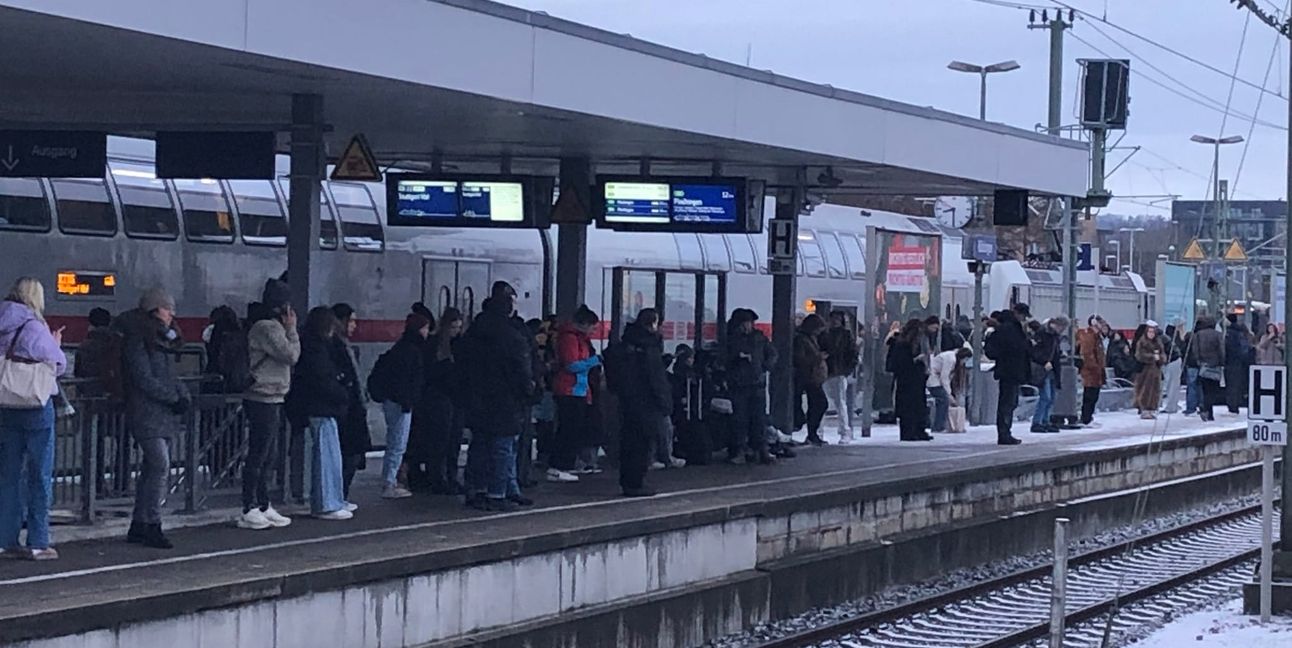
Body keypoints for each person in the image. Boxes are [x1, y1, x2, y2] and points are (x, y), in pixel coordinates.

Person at [0, 278, 67, 560]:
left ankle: (5, 539)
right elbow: (59, 364)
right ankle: (38, 541)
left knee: (8, 475)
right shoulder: (34, 327)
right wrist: (55, 343)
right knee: (39, 475)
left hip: (5, 403)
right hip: (35, 407)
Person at [122, 288, 190, 548]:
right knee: (160, 465)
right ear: (154, 309)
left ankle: (140, 523)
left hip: (159, 411)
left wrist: (179, 395)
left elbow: (168, 375)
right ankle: (152, 523)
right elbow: (143, 378)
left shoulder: (159, 340)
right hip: (146, 411)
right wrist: (174, 398)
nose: (172, 313)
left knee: (153, 468)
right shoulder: (139, 338)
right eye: (167, 307)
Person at [460, 295, 534, 511]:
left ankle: (476, 490)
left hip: (477, 400)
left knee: (480, 445)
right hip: (505, 401)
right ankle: (497, 493)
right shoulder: (512, 337)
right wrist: (528, 391)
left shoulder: (472, 335)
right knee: (503, 448)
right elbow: (522, 372)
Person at [237, 298, 299, 530]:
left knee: (268, 453)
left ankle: (263, 504)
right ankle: (250, 507)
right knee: (259, 453)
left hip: (272, 396)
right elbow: (291, 355)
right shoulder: (267, 328)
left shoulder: (268, 328)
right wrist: (291, 330)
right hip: (261, 396)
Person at [288, 307, 352, 519]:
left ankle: (331, 500)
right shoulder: (317, 349)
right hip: (320, 407)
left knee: (328, 455)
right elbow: (322, 379)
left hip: (318, 406)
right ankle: (326, 503)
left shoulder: (312, 346)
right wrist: (342, 392)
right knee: (326, 457)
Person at [609, 309, 672, 497]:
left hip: (628, 401)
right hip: (646, 403)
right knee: (642, 443)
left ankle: (629, 481)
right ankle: (637, 482)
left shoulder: (627, 343)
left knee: (629, 441)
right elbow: (655, 378)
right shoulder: (648, 346)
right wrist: (665, 402)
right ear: (652, 324)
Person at [372, 313, 429, 499]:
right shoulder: (413, 350)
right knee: (397, 444)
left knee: (395, 442)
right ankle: (389, 483)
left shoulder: (401, 347)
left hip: (393, 400)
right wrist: (409, 401)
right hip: (401, 403)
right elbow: (409, 380)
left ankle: (391, 480)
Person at [548, 306, 601, 483]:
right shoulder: (569, 339)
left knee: (573, 428)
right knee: (568, 429)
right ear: (584, 324)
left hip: (578, 389)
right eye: (592, 327)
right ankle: (558, 466)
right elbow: (571, 365)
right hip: (569, 389)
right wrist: (594, 361)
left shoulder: (579, 339)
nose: (593, 332)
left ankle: (566, 464)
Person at [724, 308, 778, 464]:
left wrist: (764, 367)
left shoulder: (759, 338)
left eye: (749, 323)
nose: (748, 326)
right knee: (740, 420)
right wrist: (737, 358)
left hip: (755, 384)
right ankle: (740, 449)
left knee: (758, 419)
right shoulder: (732, 340)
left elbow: (772, 354)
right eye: (746, 323)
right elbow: (724, 358)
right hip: (739, 384)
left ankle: (760, 449)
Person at [330, 303, 371, 500]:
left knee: (352, 454)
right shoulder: (336, 346)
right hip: (346, 408)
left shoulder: (345, 346)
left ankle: (342, 496)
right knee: (348, 454)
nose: (354, 325)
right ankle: (340, 496)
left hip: (352, 406)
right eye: (352, 320)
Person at [423, 308, 465, 495]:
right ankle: (439, 478)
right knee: (441, 440)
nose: (456, 330)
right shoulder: (435, 345)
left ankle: (450, 476)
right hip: (440, 396)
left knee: (453, 439)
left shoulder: (457, 344)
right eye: (454, 327)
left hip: (453, 396)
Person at [984, 303, 1030, 445]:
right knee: (1008, 403)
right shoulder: (1010, 329)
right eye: (1023, 315)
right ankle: (1004, 434)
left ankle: (1005, 432)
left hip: (1009, 370)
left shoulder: (1008, 328)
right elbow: (1014, 348)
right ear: (1018, 313)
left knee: (1009, 402)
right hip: (1010, 371)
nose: (1024, 319)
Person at [886, 318, 933, 442]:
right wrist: (916, 360)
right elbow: (901, 363)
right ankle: (911, 432)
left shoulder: (904, 342)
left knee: (915, 405)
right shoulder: (902, 344)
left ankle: (917, 430)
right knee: (910, 406)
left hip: (913, 379)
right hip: (909, 379)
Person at [819, 311, 859, 444]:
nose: (834, 321)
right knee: (839, 403)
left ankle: (822, 432)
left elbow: (852, 355)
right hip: (835, 371)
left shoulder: (826, 335)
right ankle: (844, 432)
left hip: (832, 371)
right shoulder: (845, 335)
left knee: (832, 403)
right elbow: (853, 355)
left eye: (837, 319)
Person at [792, 314, 829, 446]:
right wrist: (818, 358)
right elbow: (799, 359)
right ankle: (812, 433)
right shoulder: (802, 340)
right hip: (808, 377)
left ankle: (812, 433)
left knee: (817, 404)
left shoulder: (810, 338)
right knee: (820, 403)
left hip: (812, 376)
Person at [1029, 316, 1069, 434]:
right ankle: (1037, 422)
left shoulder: (1055, 336)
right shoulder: (1042, 333)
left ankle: (1045, 421)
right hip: (1043, 369)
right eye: (1062, 327)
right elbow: (1033, 352)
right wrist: (1044, 361)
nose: (1063, 330)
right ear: (1057, 324)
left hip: (1051, 369)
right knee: (1045, 397)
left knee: (1051, 397)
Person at [1188, 316, 1225, 422]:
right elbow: (1222, 350)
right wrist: (1222, 362)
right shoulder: (1218, 335)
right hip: (1215, 365)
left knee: (1204, 389)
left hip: (1204, 366)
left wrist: (1199, 361)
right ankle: (1210, 412)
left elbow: (1195, 350)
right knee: (1213, 390)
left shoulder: (1198, 335)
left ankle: (1205, 409)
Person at [1075, 316, 1108, 427]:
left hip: (1096, 372)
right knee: (1089, 395)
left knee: (1094, 395)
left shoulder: (1097, 337)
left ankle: (1088, 417)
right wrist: (1095, 367)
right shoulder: (1089, 336)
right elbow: (1087, 354)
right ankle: (1086, 418)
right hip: (1091, 372)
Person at [1132, 320, 1166, 419]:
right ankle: (1144, 408)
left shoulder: (1158, 342)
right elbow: (1139, 355)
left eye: (1153, 332)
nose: (1151, 334)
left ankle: (1152, 408)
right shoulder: (1142, 342)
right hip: (1145, 370)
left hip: (1156, 371)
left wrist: (1160, 358)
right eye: (1149, 332)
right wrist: (1152, 357)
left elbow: (1163, 354)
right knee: (1145, 390)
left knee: (1155, 390)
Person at [1224, 314, 1253, 413]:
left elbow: (1229, 349)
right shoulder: (1241, 332)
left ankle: (1233, 406)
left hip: (1232, 362)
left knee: (1232, 385)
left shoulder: (1231, 333)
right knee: (1237, 385)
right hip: (1240, 363)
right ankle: (1235, 404)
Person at [926, 344, 958, 433]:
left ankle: (939, 425)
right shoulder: (951, 359)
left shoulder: (949, 355)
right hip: (933, 379)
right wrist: (949, 394)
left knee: (941, 401)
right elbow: (944, 377)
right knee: (943, 400)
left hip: (933, 378)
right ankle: (938, 426)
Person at [946, 346, 973, 433]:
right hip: (947, 386)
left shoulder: (959, 367)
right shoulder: (952, 361)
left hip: (951, 386)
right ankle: (955, 425)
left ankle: (956, 425)